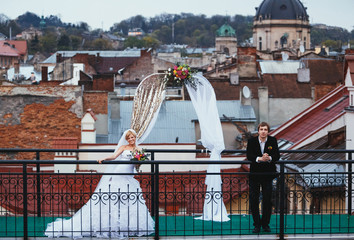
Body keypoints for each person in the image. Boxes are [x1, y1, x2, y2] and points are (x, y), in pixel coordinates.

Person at [45, 129, 154, 238]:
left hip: (128, 177)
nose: (131, 139)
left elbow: (137, 166)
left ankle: (127, 227)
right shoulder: (123, 148)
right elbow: (114, 157)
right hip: (118, 174)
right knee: (112, 199)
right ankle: (109, 226)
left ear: (135, 138)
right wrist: (104, 158)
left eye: (132, 137)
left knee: (129, 201)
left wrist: (139, 161)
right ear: (127, 139)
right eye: (129, 138)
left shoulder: (139, 150)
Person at [246, 122, 280, 234]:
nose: (263, 131)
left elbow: (277, 155)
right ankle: (256, 225)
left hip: (268, 174)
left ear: (268, 131)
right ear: (258, 131)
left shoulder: (272, 141)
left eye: (265, 129)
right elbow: (249, 155)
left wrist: (269, 157)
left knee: (267, 200)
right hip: (255, 174)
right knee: (254, 200)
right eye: (261, 129)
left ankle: (265, 224)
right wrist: (259, 159)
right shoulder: (251, 141)